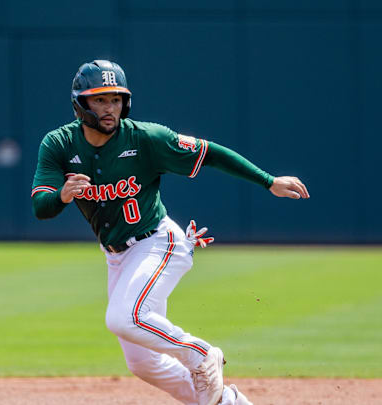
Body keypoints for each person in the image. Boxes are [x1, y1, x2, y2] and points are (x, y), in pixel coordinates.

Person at [30, 60, 309, 405]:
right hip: (118, 256)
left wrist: (269, 182)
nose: (109, 108)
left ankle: (202, 354)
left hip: (159, 243)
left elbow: (211, 154)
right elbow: (41, 207)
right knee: (143, 363)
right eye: (100, 100)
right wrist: (62, 195)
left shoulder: (146, 138)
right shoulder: (59, 144)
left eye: (116, 99)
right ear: (80, 104)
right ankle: (228, 404)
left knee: (124, 317)